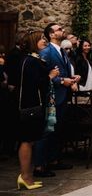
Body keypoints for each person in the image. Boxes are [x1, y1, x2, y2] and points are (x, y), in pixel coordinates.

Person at [8, 31, 58, 190]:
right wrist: (50, 76)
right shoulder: (30, 61)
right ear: (33, 42)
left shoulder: (33, 59)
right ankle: (25, 177)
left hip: (33, 105)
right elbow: (34, 83)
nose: (45, 41)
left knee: (30, 140)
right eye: (41, 39)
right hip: (29, 106)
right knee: (26, 140)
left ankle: (27, 176)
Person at [35, 23, 78, 177]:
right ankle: (39, 165)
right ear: (51, 34)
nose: (63, 30)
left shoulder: (62, 51)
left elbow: (63, 71)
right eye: (60, 29)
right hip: (51, 96)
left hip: (63, 96)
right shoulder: (46, 52)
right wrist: (61, 81)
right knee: (47, 130)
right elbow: (42, 76)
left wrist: (72, 79)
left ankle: (53, 160)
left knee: (57, 130)